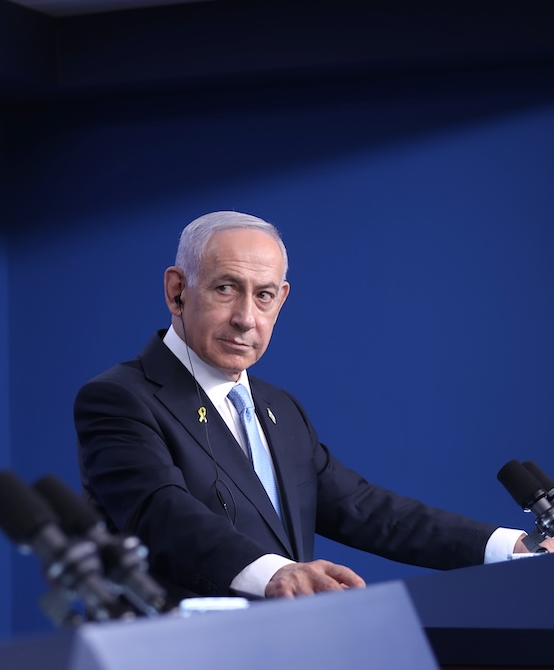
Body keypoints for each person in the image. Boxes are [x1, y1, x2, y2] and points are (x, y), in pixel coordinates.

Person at [75, 210, 551, 602]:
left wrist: (514, 547)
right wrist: (277, 573)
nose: (246, 318)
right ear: (177, 290)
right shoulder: (119, 398)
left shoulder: (280, 408)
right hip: (178, 665)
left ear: (280, 300)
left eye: (263, 296)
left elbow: (365, 509)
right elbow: (163, 515)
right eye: (225, 288)